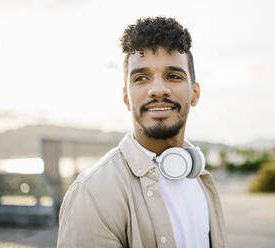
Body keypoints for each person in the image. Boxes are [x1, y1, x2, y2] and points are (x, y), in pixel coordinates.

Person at [57, 16, 227, 248]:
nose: (158, 89)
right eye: (141, 78)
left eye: (174, 76)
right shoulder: (93, 195)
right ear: (127, 97)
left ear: (195, 93)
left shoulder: (200, 180)